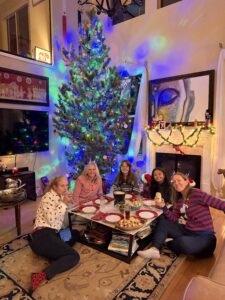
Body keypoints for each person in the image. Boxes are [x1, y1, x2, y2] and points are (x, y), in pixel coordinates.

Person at [137, 172, 225, 259]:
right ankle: (155, 249)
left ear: (186, 181)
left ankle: (168, 242)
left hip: (204, 237)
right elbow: (174, 218)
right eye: (174, 182)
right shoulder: (180, 201)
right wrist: (163, 207)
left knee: (184, 243)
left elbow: (221, 205)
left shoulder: (197, 193)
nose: (176, 183)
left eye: (179, 180)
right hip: (188, 231)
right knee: (163, 221)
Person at [29, 176, 80, 291]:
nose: (65, 188)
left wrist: (68, 203)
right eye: (62, 186)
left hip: (54, 234)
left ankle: (56, 254)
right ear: (54, 186)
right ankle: (40, 275)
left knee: (76, 233)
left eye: (67, 185)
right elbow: (53, 222)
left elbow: (62, 221)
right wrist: (63, 204)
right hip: (42, 235)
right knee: (74, 256)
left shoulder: (60, 196)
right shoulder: (47, 198)